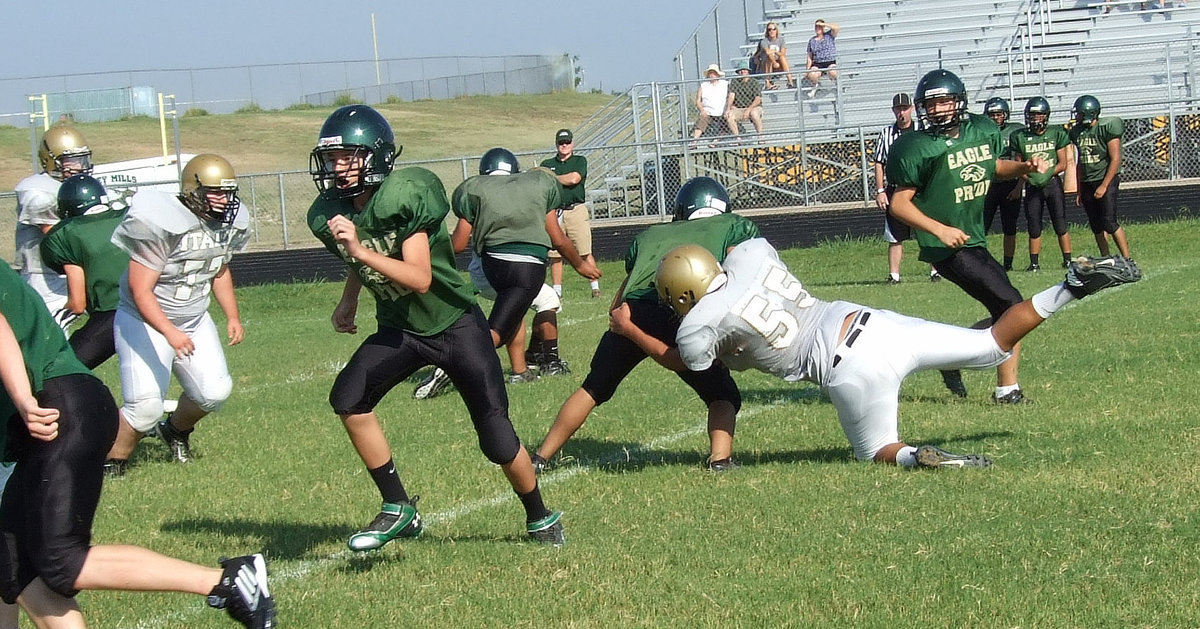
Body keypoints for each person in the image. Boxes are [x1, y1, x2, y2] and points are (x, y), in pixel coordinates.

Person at [640, 238, 1141, 467]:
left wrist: (633, 330)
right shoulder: (749, 254)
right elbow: (747, 252)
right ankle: (1071, 286)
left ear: (683, 295)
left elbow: (693, 365)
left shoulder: (698, 325)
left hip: (847, 366)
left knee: (875, 451)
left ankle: (929, 460)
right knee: (990, 347)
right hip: (869, 320)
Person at [307, 105, 564, 548]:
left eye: (349, 157)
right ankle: (398, 507)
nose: (338, 168)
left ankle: (539, 514)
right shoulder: (332, 209)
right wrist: (349, 297)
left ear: (378, 156)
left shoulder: (405, 195)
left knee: (497, 439)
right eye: (333, 159)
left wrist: (360, 251)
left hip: (454, 326)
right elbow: (360, 248)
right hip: (401, 328)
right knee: (348, 398)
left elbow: (419, 276)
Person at [0, 261, 276, 629]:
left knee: (62, 561)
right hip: (55, 411)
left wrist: (22, 397)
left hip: (56, 406)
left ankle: (226, 580)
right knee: (12, 566)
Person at [531, 177, 757, 473]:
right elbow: (736, 274)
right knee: (722, 394)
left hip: (632, 309)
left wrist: (618, 319)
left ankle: (540, 458)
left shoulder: (651, 234)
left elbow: (630, 283)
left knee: (593, 388)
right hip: (682, 312)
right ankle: (720, 460)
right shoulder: (732, 226)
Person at [887, 70, 1050, 405]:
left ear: (958, 102)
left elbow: (991, 166)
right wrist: (939, 229)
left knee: (1005, 307)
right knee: (1012, 307)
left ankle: (954, 358)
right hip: (946, 245)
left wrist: (1023, 168)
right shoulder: (916, 146)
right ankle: (1007, 390)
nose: (938, 110)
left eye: (944, 101)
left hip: (972, 237)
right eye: (931, 104)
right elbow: (899, 204)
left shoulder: (981, 130)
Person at [102, 154, 249, 477]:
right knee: (144, 408)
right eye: (216, 192)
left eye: (228, 192)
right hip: (144, 319)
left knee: (213, 393)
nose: (225, 200)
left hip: (193, 318)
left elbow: (218, 269)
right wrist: (169, 331)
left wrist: (232, 316)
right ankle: (112, 459)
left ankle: (175, 431)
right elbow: (141, 291)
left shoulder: (224, 225)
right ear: (193, 189)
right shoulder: (160, 221)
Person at [412, 149, 600, 399]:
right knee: (497, 331)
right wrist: (580, 265)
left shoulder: (477, 189)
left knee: (512, 313)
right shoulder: (537, 187)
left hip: (492, 265)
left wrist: (421, 248)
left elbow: (457, 245)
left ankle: (520, 370)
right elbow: (557, 237)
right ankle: (452, 365)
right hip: (527, 266)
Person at [39, 174, 130, 370]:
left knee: (61, 370)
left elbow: (77, 304)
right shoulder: (130, 216)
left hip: (113, 313)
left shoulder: (68, 234)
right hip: (162, 307)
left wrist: (58, 318)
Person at [13, 124, 94, 332]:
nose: (79, 166)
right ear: (49, 160)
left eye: (82, 159)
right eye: (71, 161)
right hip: (44, 275)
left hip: (72, 270)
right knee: (49, 336)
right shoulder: (38, 191)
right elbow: (59, 240)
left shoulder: (79, 186)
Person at [873, 93, 942, 286]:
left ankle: (936, 270)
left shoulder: (923, 130)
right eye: (898, 109)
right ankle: (894, 275)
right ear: (893, 110)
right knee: (895, 235)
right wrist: (879, 190)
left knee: (928, 229)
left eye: (904, 108)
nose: (901, 112)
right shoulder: (887, 133)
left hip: (922, 188)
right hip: (896, 189)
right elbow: (879, 162)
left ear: (911, 109)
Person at [1011, 97, 1073, 270]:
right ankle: (1034, 263)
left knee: (1060, 222)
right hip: (1032, 186)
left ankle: (1068, 259)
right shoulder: (1020, 136)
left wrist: (1045, 175)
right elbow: (1018, 164)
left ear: (1046, 116)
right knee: (1034, 225)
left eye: (1038, 115)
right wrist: (1030, 178)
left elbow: (1062, 163)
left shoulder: (1056, 133)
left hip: (1052, 184)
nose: (1035, 119)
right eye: (1032, 116)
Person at [540, 129, 601, 299]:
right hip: (555, 211)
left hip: (576, 210)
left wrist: (553, 178)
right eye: (561, 142)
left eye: (567, 142)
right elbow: (542, 182)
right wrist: (558, 178)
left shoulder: (579, 160)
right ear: (556, 144)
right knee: (555, 255)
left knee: (584, 250)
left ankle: (595, 287)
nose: (564, 145)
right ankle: (557, 290)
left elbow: (574, 178)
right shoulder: (548, 163)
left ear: (572, 143)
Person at [1069, 95, 1132, 258]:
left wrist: (1104, 185)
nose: (1077, 116)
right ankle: (1105, 257)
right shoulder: (1077, 132)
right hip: (1087, 180)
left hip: (1105, 178)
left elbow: (1115, 158)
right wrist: (1079, 189)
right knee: (1096, 225)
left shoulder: (1107, 127)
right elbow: (1079, 161)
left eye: (1080, 113)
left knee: (1109, 222)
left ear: (1090, 113)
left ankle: (1127, 258)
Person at [979, 97, 1027, 272]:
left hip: (1010, 184)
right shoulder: (981, 133)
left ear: (1005, 115)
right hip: (989, 185)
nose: (996, 118)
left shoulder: (1015, 131)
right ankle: (980, 261)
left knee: (1010, 226)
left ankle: (1008, 263)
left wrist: (1018, 186)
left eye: (999, 114)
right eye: (992, 115)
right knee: (981, 226)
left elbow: (1022, 159)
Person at [724, 59, 764, 140]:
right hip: (740, 108)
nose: (743, 72)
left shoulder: (754, 82)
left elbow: (757, 99)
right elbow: (731, 96)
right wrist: (728, 108)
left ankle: (760, 136)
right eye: (741, 70)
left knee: (754, 113)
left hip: (754, 107)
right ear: (738, 72)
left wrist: (748, 110)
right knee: (729, 116)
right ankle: (737, 138)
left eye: (744, 70)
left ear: (748, 71)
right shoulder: (735, 82)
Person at [690, 65, 730, 145]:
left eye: (714, 73)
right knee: (702, 120)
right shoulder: (704, 85)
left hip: (722, 111)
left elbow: (730, 97)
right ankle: (694, 141)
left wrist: (728, 109)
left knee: (727, 122)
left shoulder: (725, 84)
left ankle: (715, 141)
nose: (712, 75)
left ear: (718, 74)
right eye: (710, 73)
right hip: (708, 112)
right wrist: (701, 110)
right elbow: (698, 100)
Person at [805, 19, 840, 98]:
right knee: (812, 74)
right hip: (818, 63)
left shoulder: (829, 36)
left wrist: (824, 24)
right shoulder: (812, 40)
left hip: (829, 61)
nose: (818, 29)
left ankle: (837, 83)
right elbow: (810, 56)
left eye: (820, 27)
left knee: (833, 72)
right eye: (816, 27)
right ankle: (815, 86)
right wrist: (807, 70)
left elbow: (837, 28)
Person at [753, 22, 794, 90]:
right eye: (769, 29)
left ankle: (790, 80)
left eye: (774, 29)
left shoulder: (781, 40)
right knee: (769, 57)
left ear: (776, 30)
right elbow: (768, 52)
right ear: (767, 31)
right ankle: (767, 83)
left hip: (778, 64)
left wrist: (775, 51)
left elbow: (783, 54)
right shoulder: (764, 41)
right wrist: (774, 61)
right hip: (766, 65)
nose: (772, 31)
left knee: (782, 58)